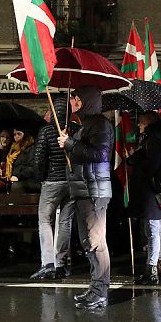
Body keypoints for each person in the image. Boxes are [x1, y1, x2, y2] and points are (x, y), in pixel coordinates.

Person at [58, 85, 114, 310]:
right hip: (83, 190)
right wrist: (70, 143)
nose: (72, 101)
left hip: (94, 191)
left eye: (76, 98)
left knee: (96, 242)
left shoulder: (100, 124)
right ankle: (95, 288)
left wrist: (71, 143)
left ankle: (100, 292)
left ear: (85, 102)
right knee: (88, 242)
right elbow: (82, 154)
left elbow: (100, 154)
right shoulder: (86, 125)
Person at [30, 96, 76, 280]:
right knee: (65, 222)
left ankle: (48, 263)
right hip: (71, 182)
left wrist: (39, 178)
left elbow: (38, 158)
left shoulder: (46, 131)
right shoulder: (75, 130)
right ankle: (61, 263)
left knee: (44, 220)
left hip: (52, 181)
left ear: (53, 111)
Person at [126, 111, 161, 285]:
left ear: (148, 123)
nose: (138, 125)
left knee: (153, 229)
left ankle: (152, 270)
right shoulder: (154, 139)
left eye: (141, 122)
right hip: (154, 191)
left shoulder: (153, 141)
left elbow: (150, 166)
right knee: (156, 228)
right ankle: (158, 265)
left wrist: (136, 159)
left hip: (151, 191)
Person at [7, 129, 39, 193]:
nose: (16, 136)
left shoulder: (31, 148)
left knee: (15, 186)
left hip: (29, 180)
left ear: (25, 134)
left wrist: (18, 176)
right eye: (14, 134)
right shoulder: (15, 149)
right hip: (15, 179)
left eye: (19, 134)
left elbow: (32, 168)